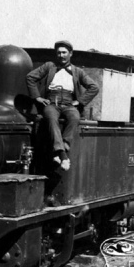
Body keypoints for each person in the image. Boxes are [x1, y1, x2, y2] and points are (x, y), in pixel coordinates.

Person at [26, 40, 100, 171]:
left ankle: (62, 148)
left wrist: (80, 101)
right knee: (50, 118)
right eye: (59, 53)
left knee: (75, 118)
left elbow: (94, 87)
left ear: (70, 54)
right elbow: (30, 77)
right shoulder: (49, 66)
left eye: (64, 52)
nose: (61, 55)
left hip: (69, 103)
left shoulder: (78, 71)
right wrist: (37, 97)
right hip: (51, 102)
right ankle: (63, 154)